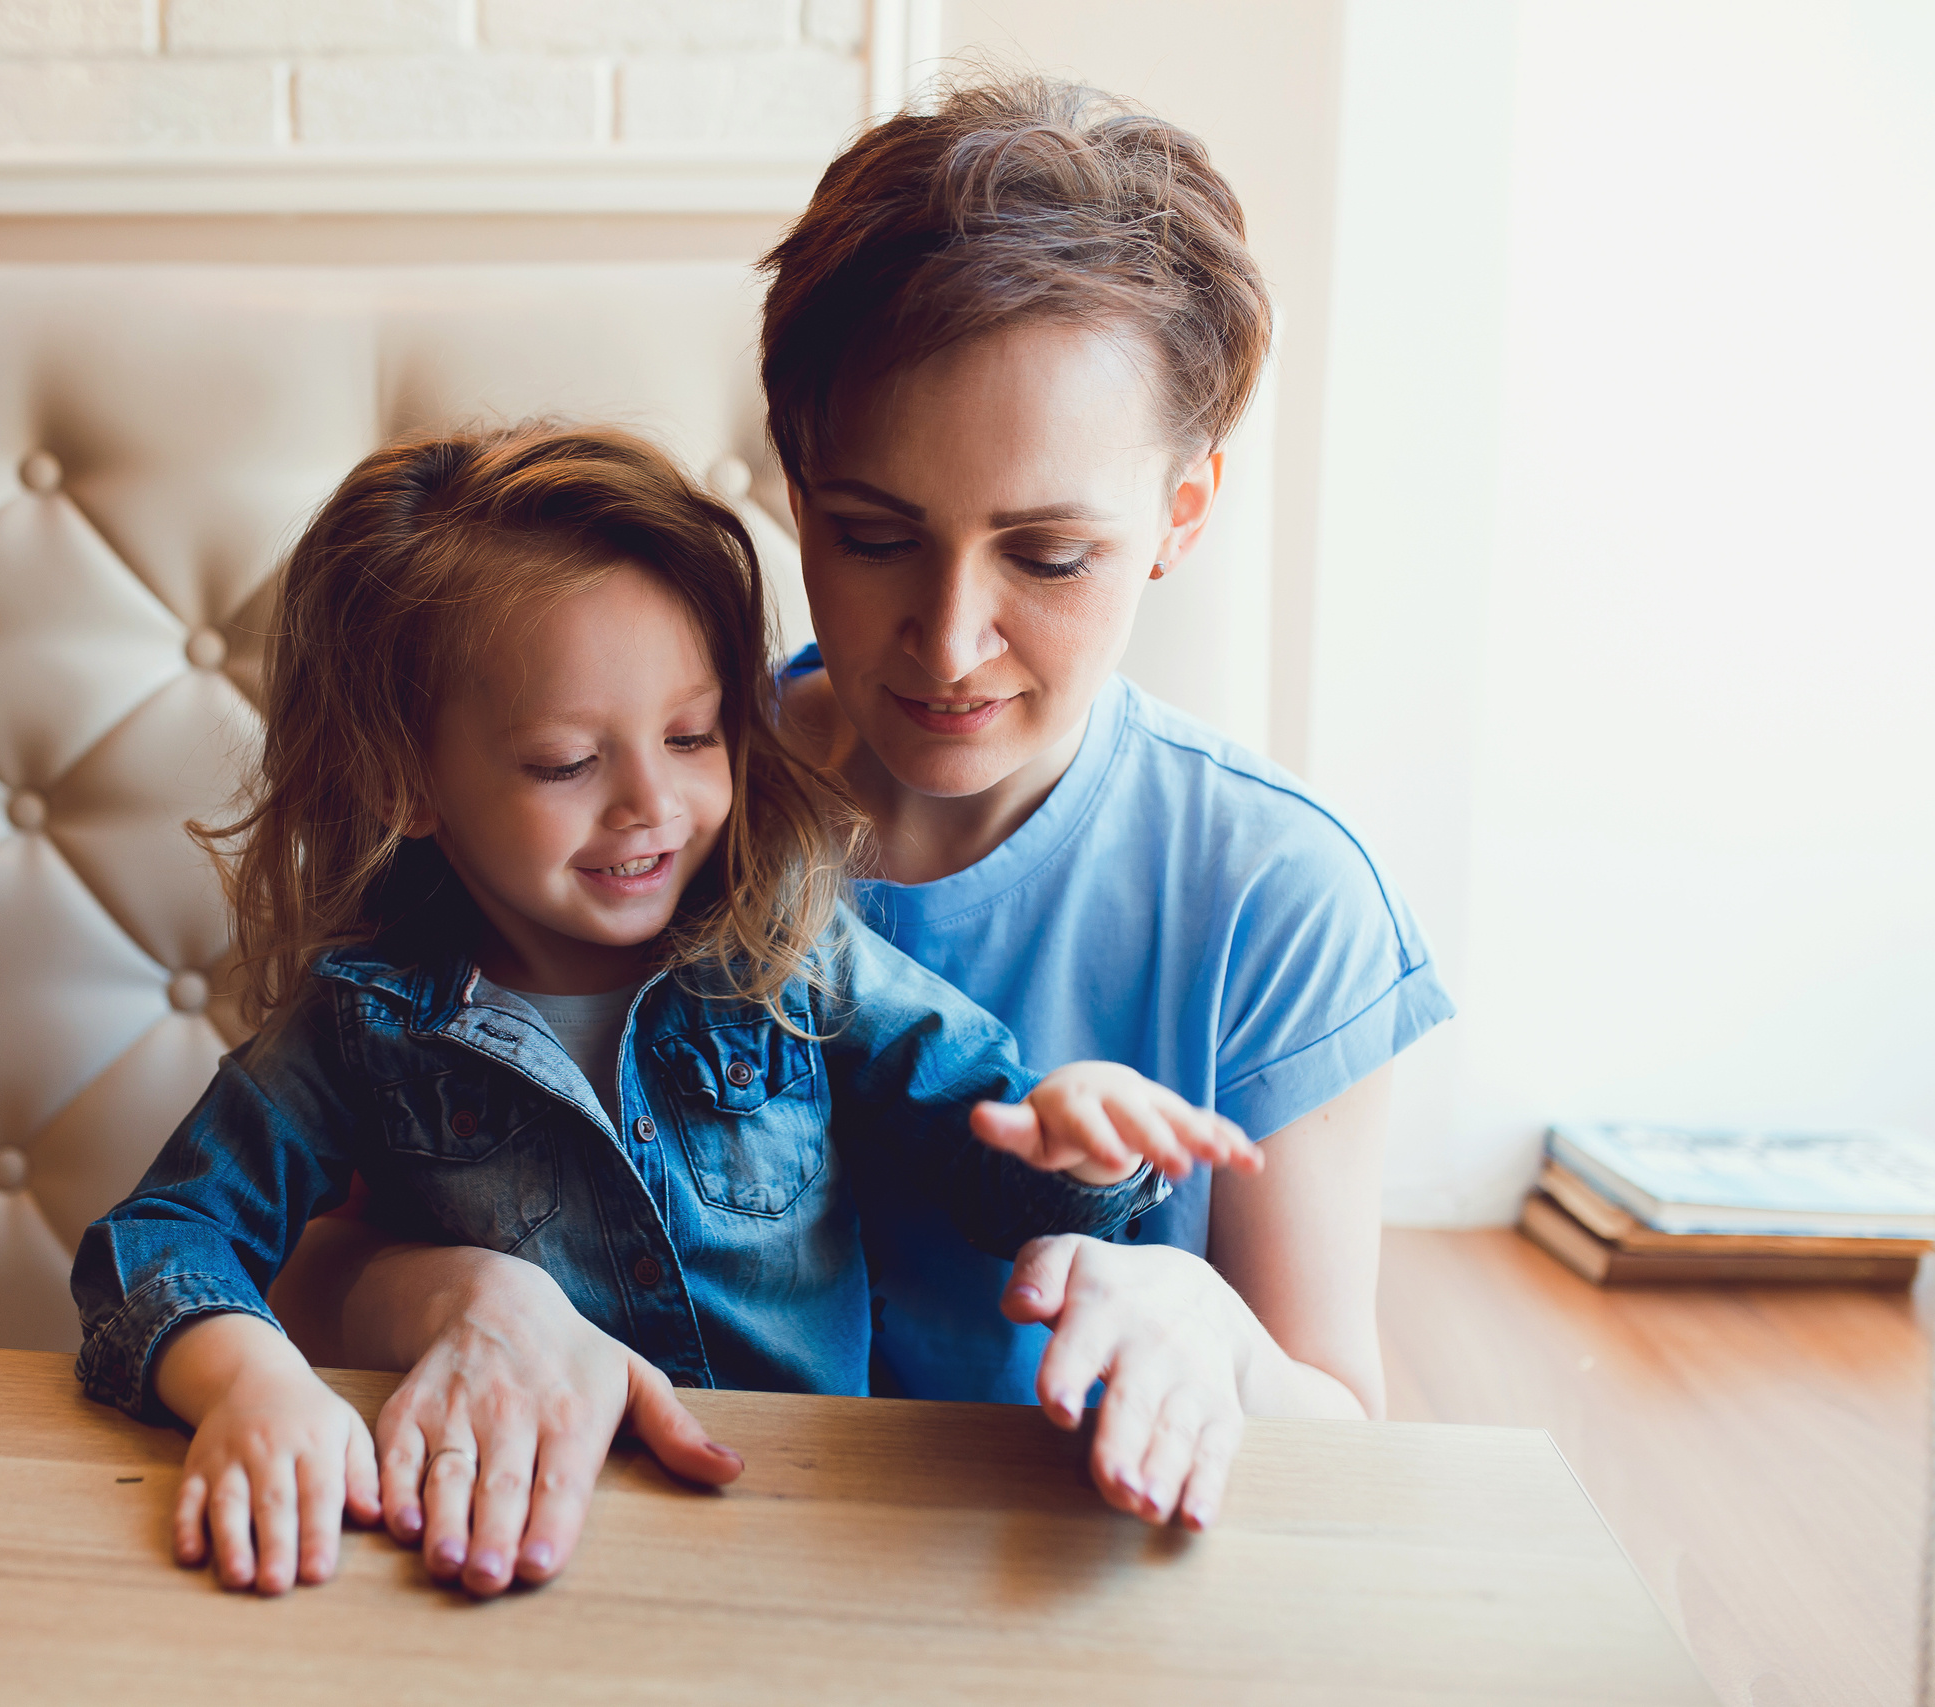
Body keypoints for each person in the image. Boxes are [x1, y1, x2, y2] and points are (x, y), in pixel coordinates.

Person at [273, 75, 1455, 1584]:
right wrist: (448, 1293)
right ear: (792, 477)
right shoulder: (605, 814)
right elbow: (298, 1263)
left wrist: (1216, 1336)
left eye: (1050, 553)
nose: (949, 641)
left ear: (1184, 511)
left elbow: (1343, 1425)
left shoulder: (1281, 895)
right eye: (876, 536)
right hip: (607, 1581)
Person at [69, 422, 1261, 1597]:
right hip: (498, 1540)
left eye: (692, 736)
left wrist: (1072, 1134)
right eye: (563, 763)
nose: (652, 803)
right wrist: (249, 1385)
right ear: (407, 783)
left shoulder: (789, 950)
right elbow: (156, 1243)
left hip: (804, 1543)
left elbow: (993, 1159)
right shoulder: (360, 1024)